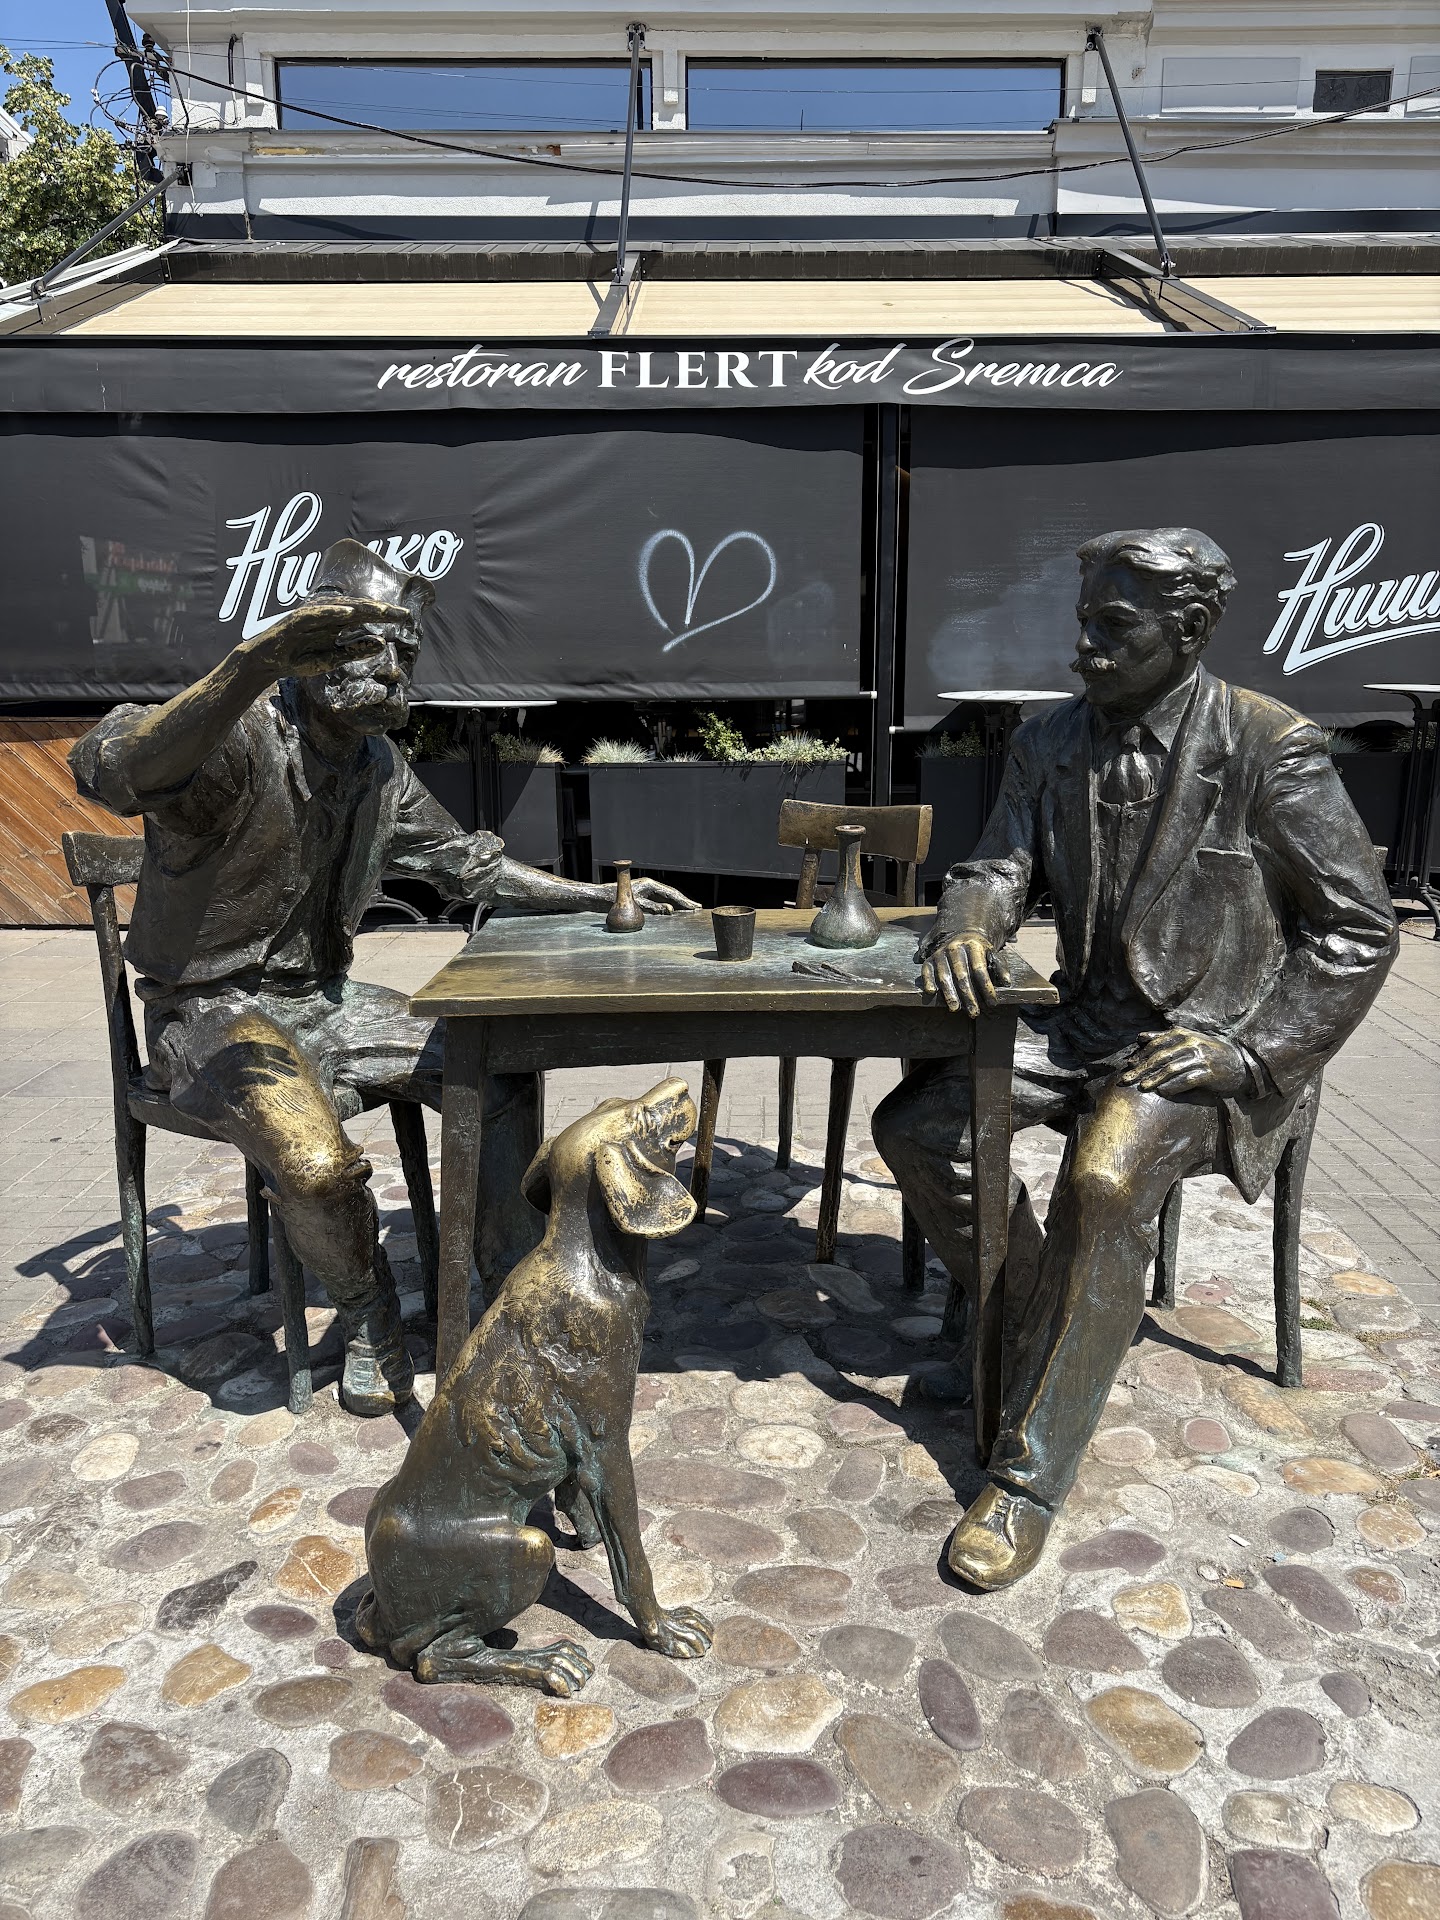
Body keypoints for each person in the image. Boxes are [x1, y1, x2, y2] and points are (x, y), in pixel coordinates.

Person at [873, 528, 1397, 1589]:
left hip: (1203, 1043)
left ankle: (1026, 1479)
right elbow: (997, 865)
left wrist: (1250, 1053)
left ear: (1190, 628)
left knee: (1104, 1180)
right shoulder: (1049, 739)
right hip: (1078, 1025)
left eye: (1114, 628)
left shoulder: (1270, 747)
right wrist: (967, 925)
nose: (1085, 649)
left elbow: (1357, 929)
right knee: (915, 1125)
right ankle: (1036, 1324)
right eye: (1084, 625)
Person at [71, 540, 696, 1417]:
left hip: (327, 1005)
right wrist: (251, 665)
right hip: (211, 1016)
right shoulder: (238, 738)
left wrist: (601, 893)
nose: (395, 673)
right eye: (371, 648)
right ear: (311, 646)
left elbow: (471, 866)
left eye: (406, 654)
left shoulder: (377, 768)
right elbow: (114, 771)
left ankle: (503, 1280)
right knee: (316, 1166)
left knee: (497, 1065)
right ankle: (371, 1311)